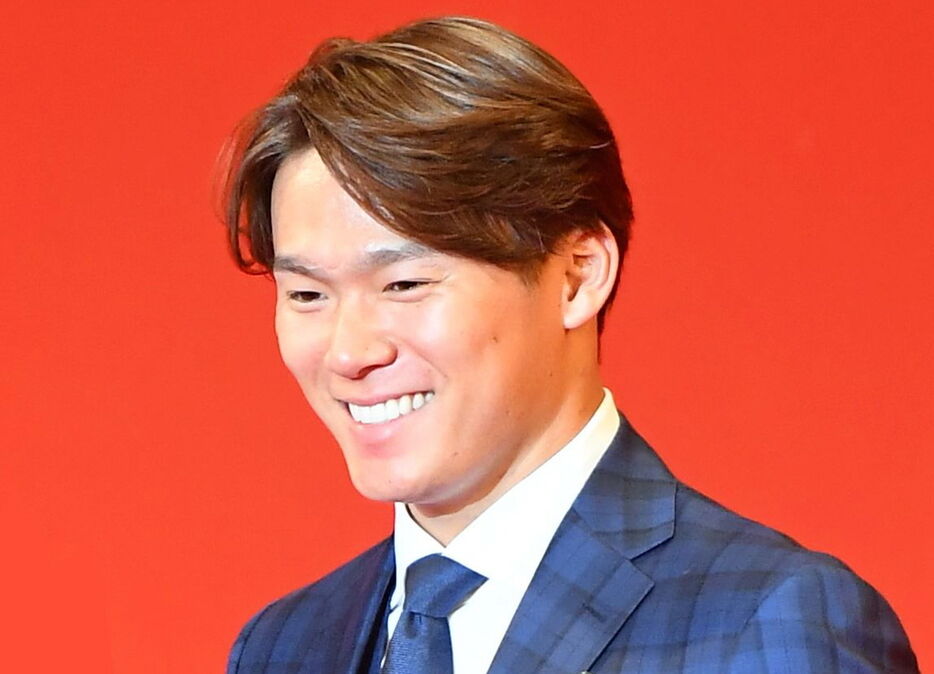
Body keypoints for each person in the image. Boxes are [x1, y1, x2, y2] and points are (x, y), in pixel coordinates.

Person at [220, 16, 918, 674]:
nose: (349, 353)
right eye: (306, 295)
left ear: (578, 275)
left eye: (403, 284)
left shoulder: (771, 622)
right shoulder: (284, 646)